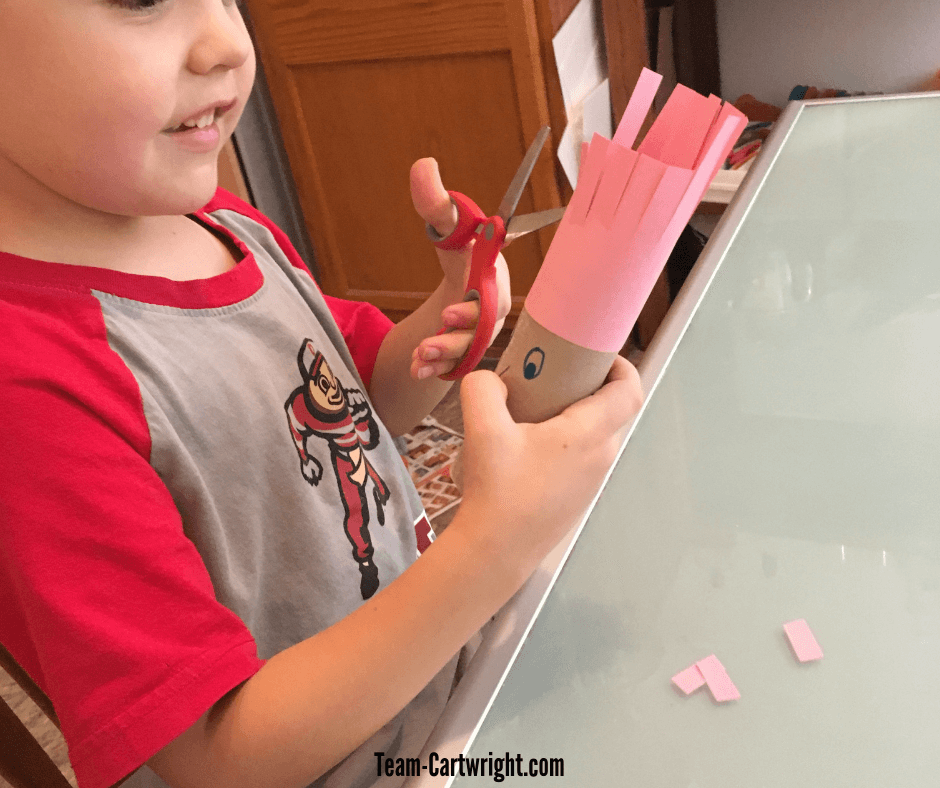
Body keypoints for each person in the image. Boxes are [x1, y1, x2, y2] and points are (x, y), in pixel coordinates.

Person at [0, 1, 644, 787]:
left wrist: (437, 325)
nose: (228, 43)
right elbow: (213, 757)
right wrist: (495, 544)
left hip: (426, 671)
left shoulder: (215, 219)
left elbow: (355, 392)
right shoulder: (27, 395)